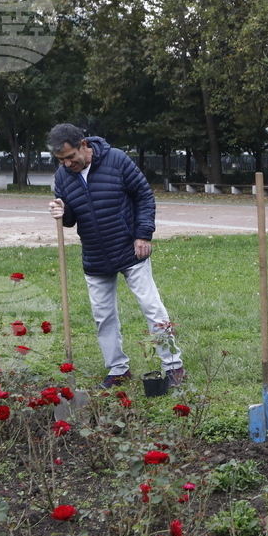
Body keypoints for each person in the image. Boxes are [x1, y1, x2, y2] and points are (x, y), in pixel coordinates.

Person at [46, 123, 184, 389]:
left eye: (71, 157)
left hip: (130, 247)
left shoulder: (116, 160)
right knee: (103, 315)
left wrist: (143, 235)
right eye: (61, 160)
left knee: (151, 306)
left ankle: (173, 366)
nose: (67, 164)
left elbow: (144, 196)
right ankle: (118, 369)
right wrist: (61, 212)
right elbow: (71, 219)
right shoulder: (63, 176)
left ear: (83, 145)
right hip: (95, 255)